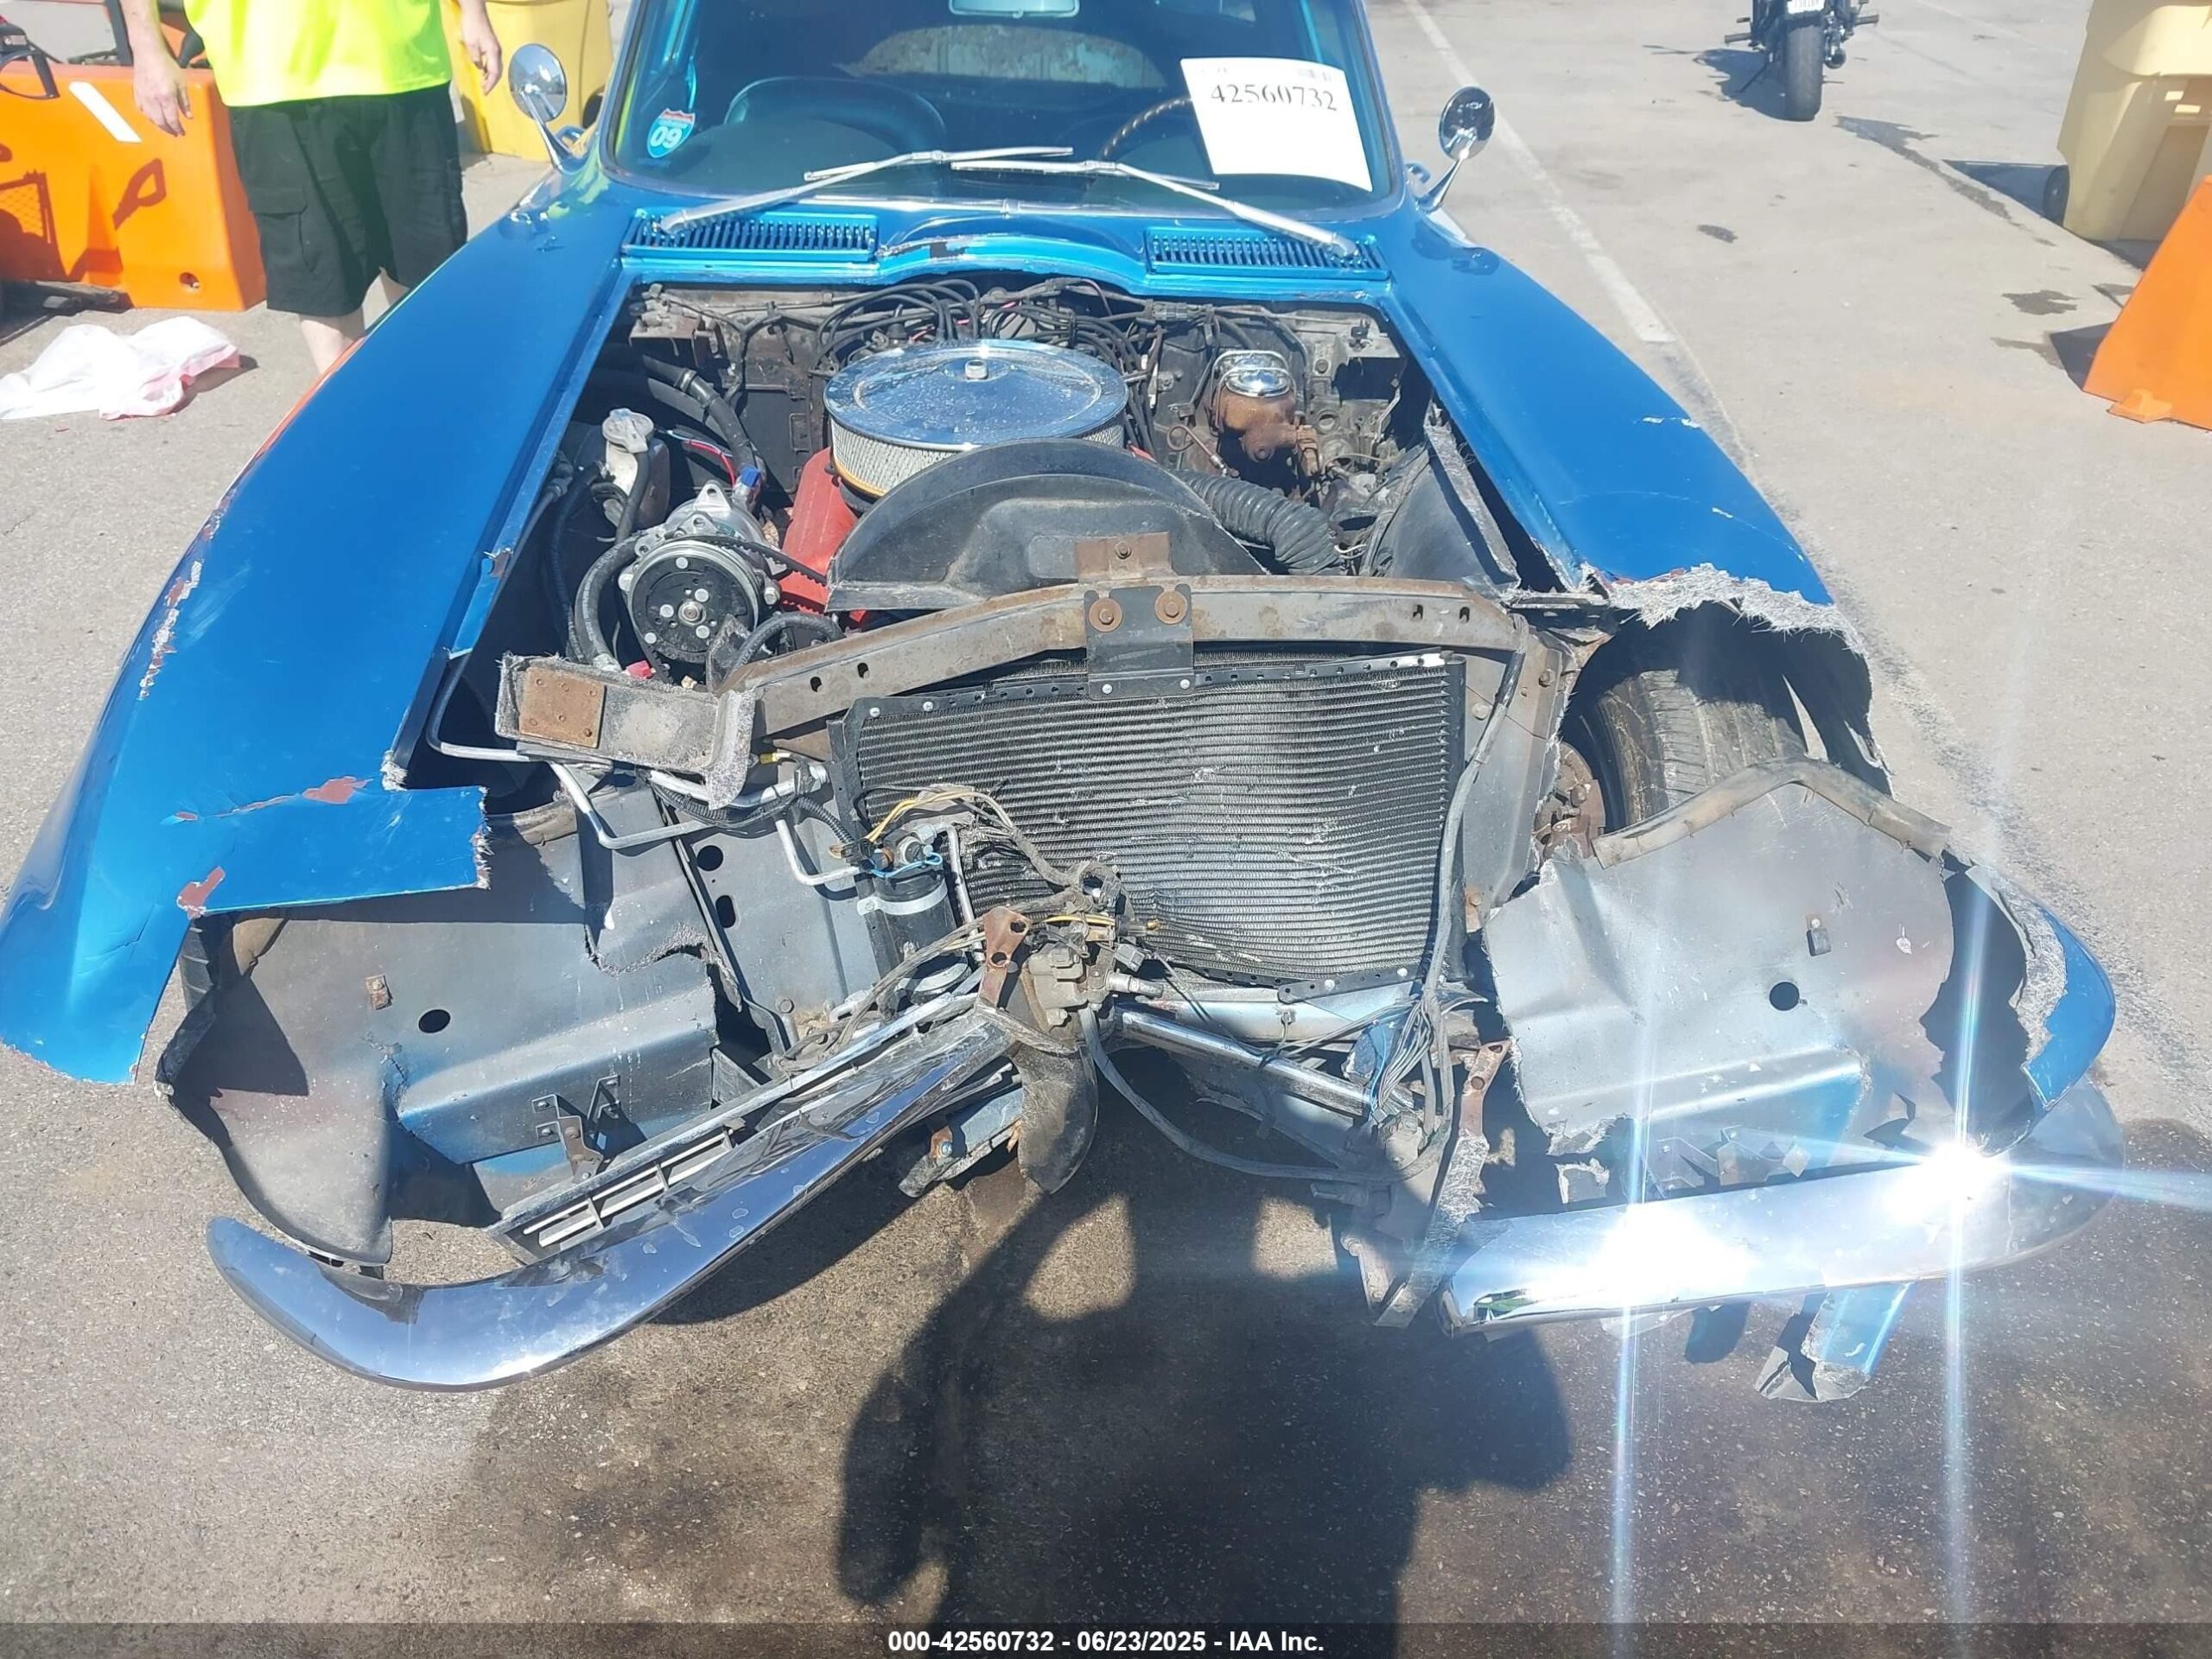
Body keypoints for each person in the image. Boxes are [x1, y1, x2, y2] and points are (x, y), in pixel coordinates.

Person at [119, 0, 504, 375]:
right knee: (323, 276)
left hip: (403, 61)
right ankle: (349, 407)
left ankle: (431, 395)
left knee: (426, 264)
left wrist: (474, 12)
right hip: (272, 74)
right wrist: (148, 49)